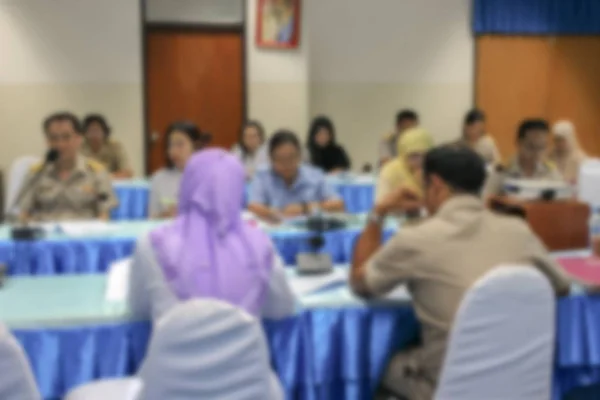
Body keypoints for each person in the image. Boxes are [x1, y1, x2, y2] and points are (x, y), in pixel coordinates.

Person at [351, 144, 576, 400]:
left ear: (435, 184)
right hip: (519, 386)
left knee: (376, 362)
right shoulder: (518, 230)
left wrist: (378, 213)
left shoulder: (416, 238)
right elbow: (562, 286)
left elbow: (361, 283)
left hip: (445, 387)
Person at [129, 149, 296, 321]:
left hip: (175, 347)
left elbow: (138, 310)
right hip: (246, 347)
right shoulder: (259, 244)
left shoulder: (151, 245)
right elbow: (283, 308)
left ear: (187, 186)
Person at [18, 112, 117, 222]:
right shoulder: (36, 173)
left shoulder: (97, 172)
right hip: (46, 235)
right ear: (47, 142)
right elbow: (24, 215)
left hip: (84, 236)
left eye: (66, 137)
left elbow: (104, 216)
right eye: (54, 138)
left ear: (79, 139)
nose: (60, 144)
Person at [248, 130, 345, 222]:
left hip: (309, 236)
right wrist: (278, 213)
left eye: (291, 158)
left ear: (299, 156)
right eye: (280, 159)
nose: (286, 164)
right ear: (271, 159)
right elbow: (253, 206)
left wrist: (305, 208)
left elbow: (339, 205)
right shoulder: (263, 176)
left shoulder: (314, 175)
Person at [483, 119, 562, 198]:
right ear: (519, 143)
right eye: (531, 147)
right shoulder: (503, 170)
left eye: (541, 148)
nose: (536, 153)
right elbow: (486, 199)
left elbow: (562, 199)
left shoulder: (550, 170)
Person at [148, 121, 202, 219]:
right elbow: (151, 220)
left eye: (180, 145)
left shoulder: (209, 176)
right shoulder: (159, 178)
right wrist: (165, 216)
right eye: (170, 145)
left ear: (196, 146)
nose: (173, 151)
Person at [375, 127, 433, 203]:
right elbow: (380, 206)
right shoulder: (390, 171)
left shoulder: (436, 169)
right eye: (414, 156)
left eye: (425, 155)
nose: (420, 161)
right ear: (403, 156)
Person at [81, 114, 132, 179]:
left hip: (112, 184)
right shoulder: (80, 148)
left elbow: (127, 172)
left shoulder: (115, 147)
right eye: (91, 131)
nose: (94, 135)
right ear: (85, 133)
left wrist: (108, 178)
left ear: (105, 132)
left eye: (97, 130)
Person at [549, 120, 588, 184]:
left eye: (562, 140)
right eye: (556, 140)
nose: (559, 143)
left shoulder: (580, 159)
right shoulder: (549, 156)